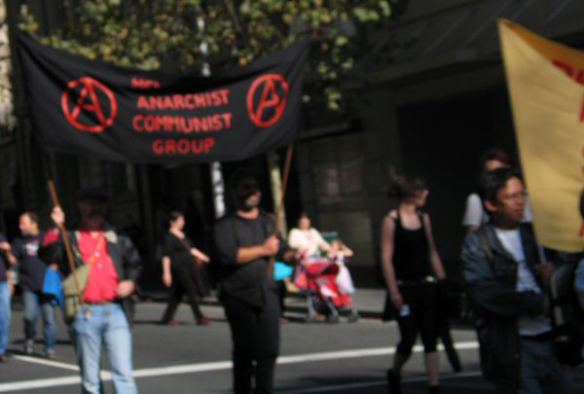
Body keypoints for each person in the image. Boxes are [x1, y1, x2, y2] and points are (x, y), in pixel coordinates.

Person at [461, 168, 571, 393]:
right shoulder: (477, 243)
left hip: (552, 339)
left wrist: (553, 275)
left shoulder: (536, 236)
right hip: (513, 347)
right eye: (512, 197)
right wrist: (535, 303)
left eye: (523, 194)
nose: (520, 202)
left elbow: (564, 268)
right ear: (491, 205)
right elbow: (483, 292)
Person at [50, 188, 141, 394]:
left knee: (124, 375)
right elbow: (49, 257)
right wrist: (57, 229)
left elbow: (134, 263)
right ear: (81, 206)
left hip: (116, 311)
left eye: (99, 204)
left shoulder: (116, 235)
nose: (95, 209)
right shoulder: (70, 235)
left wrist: (131, 282)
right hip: (85, 312)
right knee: (91, 380)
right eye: (89, 203)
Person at [213, 173, 297, 394]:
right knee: (246, 350)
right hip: (237, 294)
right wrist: (262, 250)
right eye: (246, 189)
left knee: (269, 349)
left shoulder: (268, 221)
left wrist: (294, 255)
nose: (253, 193)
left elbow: (281, 250)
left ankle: (264, 390)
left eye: (255, 188)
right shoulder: (225, 225)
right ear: (236, 194)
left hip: (267, 291)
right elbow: (228, 255)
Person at [380, 173, 447, 394]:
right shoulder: (391, 220)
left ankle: (434, 386)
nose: (426, 193)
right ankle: (395, 371)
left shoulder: (424, 218)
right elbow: (386, 258)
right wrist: (394, 292)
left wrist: (443, 280)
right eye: (422, 190)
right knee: (408, 339)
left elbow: (432, 251)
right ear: (411, 194)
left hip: (426, 285)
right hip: (403, 288)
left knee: (430, 337)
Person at [4, 212, 58, 358]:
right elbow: (13, 262)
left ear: (34, 224)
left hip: (46, 285)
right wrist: (8, 251)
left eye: (23, 223)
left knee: (49, 318)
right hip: (28, 285)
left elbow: (56, 250)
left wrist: (55, 264)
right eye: (20, 224)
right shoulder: (18, 242)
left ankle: (50, 347)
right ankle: (29, 338)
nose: (20, 227)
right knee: (29, 315)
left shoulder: (44, 237)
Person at [462, 148, 532, 232]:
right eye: (490, 173)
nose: (496, 176)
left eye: (500, 171)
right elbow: (472, 235)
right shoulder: (476, 199)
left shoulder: (523, 194)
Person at [160, 211, 210, 326]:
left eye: (183, 220)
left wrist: (204, 257)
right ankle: (199, 317)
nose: (183, 223)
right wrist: (166, 273)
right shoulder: (169, 237)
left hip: (189, 266)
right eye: (180, 221)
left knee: (178, 293)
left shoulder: (183, 235)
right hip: (179, 267)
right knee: (191, 290)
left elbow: (191, 249)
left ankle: (167, 317)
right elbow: (166, 256)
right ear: (172, 222)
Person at [0, 233, 13, 362]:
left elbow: (9, 262)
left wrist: (10, 280)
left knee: (5, 317)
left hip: (2, 283)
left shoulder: (1, 237)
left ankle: (1, 350)